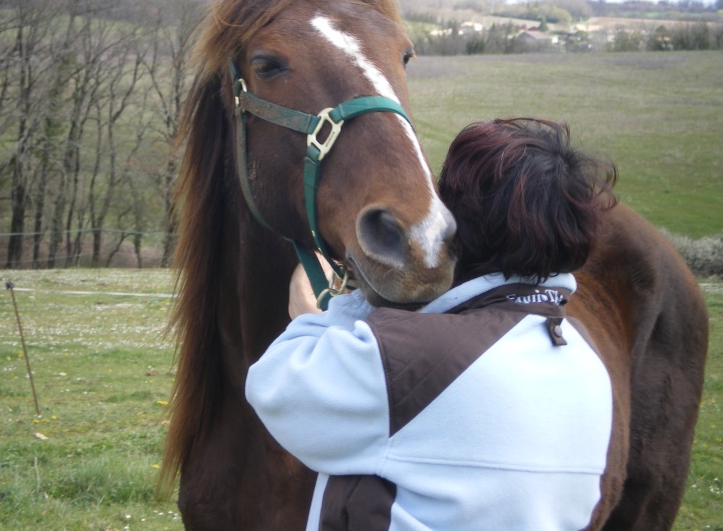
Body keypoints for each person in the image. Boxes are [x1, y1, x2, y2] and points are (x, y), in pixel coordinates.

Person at [245, 118, 619, 531]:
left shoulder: (409, 361)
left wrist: (340, 306)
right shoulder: (588, 366)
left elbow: (274, 388)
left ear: (458, 218)